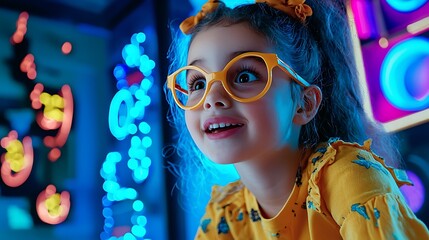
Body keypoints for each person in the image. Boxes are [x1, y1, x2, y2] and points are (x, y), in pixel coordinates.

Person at [164, 0, 429, 239]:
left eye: (244, 76)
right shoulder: (225, 215)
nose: (212, 98)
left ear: (304, 103)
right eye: (197, 82)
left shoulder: (349, 177)